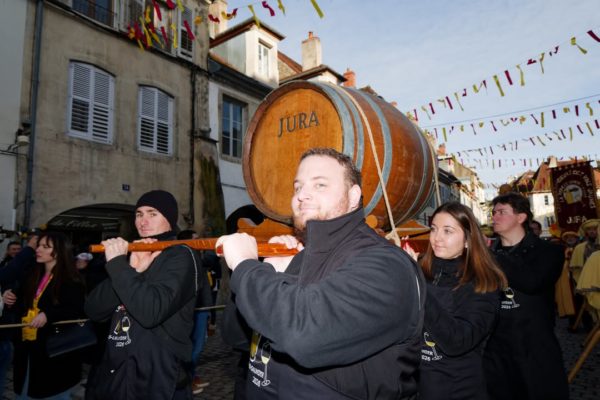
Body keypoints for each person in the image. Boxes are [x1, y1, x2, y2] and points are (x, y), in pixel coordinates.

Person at [218, 148, 425, 399]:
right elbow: (236, 336)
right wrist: (270, 271)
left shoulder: (387, 265)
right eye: (298, 187)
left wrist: (245, 266)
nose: (302, 195)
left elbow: (304, 334)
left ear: (353, 196)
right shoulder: (300, 256)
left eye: (320, 185)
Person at [85, 190, 199, 399]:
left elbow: (151, 312)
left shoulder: (181, 254)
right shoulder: (133, 253)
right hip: (117, 372)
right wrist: (132, 268)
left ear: (169, 219)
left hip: (159, 377)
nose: (143, 221)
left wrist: (118, 265)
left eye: (152, 213)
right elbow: (94, 309)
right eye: (139, 214)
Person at [414, 202, 507, 400]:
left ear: (467, 240)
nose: (437, 238)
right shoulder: (424, 272)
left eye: (447, 231)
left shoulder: (482, 283)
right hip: (419, 386)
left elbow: (458, 341)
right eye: (434, 229)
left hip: (459, 389)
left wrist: (418, 287)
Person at [484, 193, 568, 400]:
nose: (494, 217)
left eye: (501, 212)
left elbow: (532, 281)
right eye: (493, 212)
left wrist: (490, 254)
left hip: (535, 350)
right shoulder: (487, 255)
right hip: (496, 353)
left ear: (521, 217)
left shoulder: (549, 251)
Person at [13, 232, 86, 399]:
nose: (38, 249)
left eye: (45, 247)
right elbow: (22, 304)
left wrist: (49, 315)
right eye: (39, 245)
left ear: (59, 252)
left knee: (51, 392)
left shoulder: (71, 280)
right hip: (29, 347)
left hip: (56, 352)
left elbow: (75, 310)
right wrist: (11, 299)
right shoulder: (32, 274)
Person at [176, 229, 212, 395]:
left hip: (202, 309)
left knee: (199, 345)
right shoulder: (184, 261)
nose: (200, 242)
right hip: (193, 310)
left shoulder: (198, 257)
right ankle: (187, 380)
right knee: (193, 347)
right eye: (196, 239)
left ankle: (192, 376)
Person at [569, 218, 600, 283]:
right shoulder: (579, 248)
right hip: (588, 280)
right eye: (589, 229)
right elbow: (576, 269)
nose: (592, 231)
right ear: (586, 231)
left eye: (595, 229)